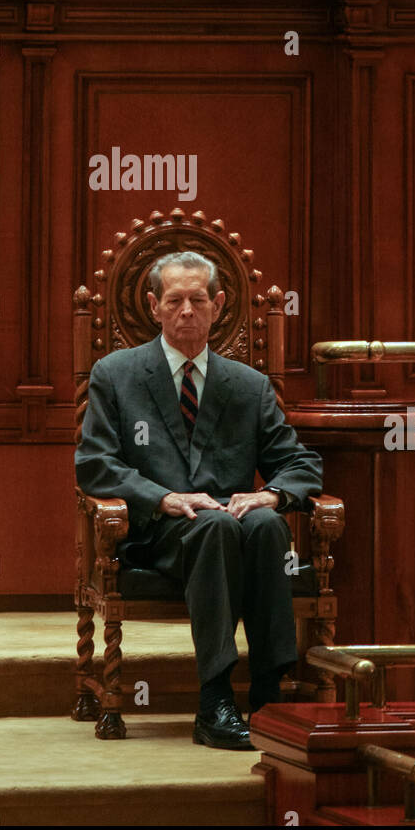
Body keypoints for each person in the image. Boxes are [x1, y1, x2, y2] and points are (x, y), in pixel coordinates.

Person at [75, 250, 322, 750]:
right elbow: (94, 463)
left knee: (266, 525)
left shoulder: (248, 386)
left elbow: (301, 464)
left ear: (218, 305)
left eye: (198, 299)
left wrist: (271, 495)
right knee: (216, 526)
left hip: (230, 524)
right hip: (156, 531)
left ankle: (269, 693)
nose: (186, 310)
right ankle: (214, 700)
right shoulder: (115, 374)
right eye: (174, 300)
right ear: (154, 307)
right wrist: (163, 497)